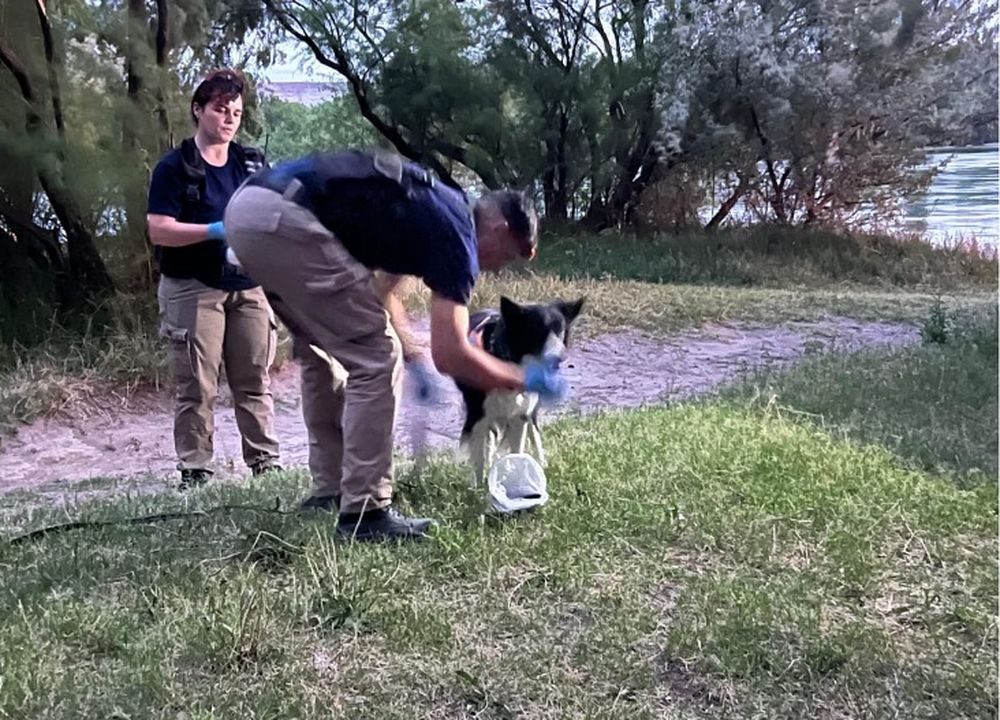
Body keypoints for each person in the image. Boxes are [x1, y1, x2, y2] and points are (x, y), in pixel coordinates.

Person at [223, 150, 567, 541]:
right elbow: (451, 354)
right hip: (287, 219)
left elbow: (382, 291)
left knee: (321, 351)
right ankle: (366, 513)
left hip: (249, 211)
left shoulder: (428, 210)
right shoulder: (458, 234)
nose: (499, 268)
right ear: (501, 229)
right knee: (376, 358)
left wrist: (414, 355)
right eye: (509, 256)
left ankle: (331, 488)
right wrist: (522, 378)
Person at [146, 69, 281, 489]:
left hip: (248, 286)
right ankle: (195, 470)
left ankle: (266, 463)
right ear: (198, 110)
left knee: (255, 380)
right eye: (221, 109)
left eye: (236, 112)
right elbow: (159, 230)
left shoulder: (251, 163)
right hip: (193, 287)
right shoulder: (174, 167)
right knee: (197, 385)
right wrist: (213, 230)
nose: (229, 118)